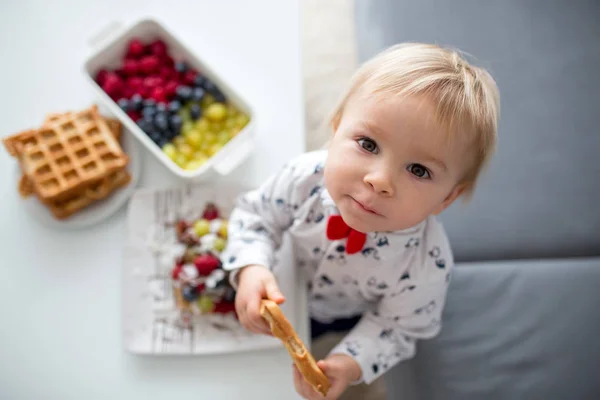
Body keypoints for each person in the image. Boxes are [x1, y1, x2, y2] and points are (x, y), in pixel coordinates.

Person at [222, 42, 500, 399]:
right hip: (284, 272)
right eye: (368, 144)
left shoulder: (425, 267)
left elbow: (398, 327)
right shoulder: (303, 177)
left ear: (446, 198)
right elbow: (257, 215)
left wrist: (351, 361)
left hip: (347, 311)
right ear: (336, 130)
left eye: (418, 170)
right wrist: (251, 267)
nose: (380, 180)